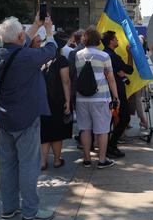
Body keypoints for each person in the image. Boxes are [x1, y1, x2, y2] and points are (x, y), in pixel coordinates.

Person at [0, 13, 56, 220]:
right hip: (26, 118)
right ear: (19, 36)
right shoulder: (26, 57)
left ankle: (8, 208)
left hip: (4, 117)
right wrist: (50, 31)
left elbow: (20, 42)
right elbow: (51, 50)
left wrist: (37, 25)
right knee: (28, 164)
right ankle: (30, 211)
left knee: (8, 163)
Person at [75, 27, 119, 168]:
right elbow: (111, 78)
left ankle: (87, 159)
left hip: (81, 98)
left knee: (85, 129)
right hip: (100, 98)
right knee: (102, 129)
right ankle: (101, 160)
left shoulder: (78, 55)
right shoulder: (104, 56)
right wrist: (116, 97)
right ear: (98, 40)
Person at [40, 43, 72, 170]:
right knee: (57, 131)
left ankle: (43, 161)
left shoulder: (40, 59)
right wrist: (68, 101)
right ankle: (57, 160)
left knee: (45, 131)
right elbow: (66, 81)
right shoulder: (61, 60)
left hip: (42, 100)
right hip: (57, 99)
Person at [102, 30, 134, 158]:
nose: (117, 40)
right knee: (125, 117)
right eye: (115, 39)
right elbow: (129, 69)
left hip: (106, 92)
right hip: (117, 93)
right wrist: (129, 54)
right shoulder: (113, 56)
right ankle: (111, 145)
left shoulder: (104, 54)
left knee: (108, 119)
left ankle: (105, 144)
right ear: (111, 41)